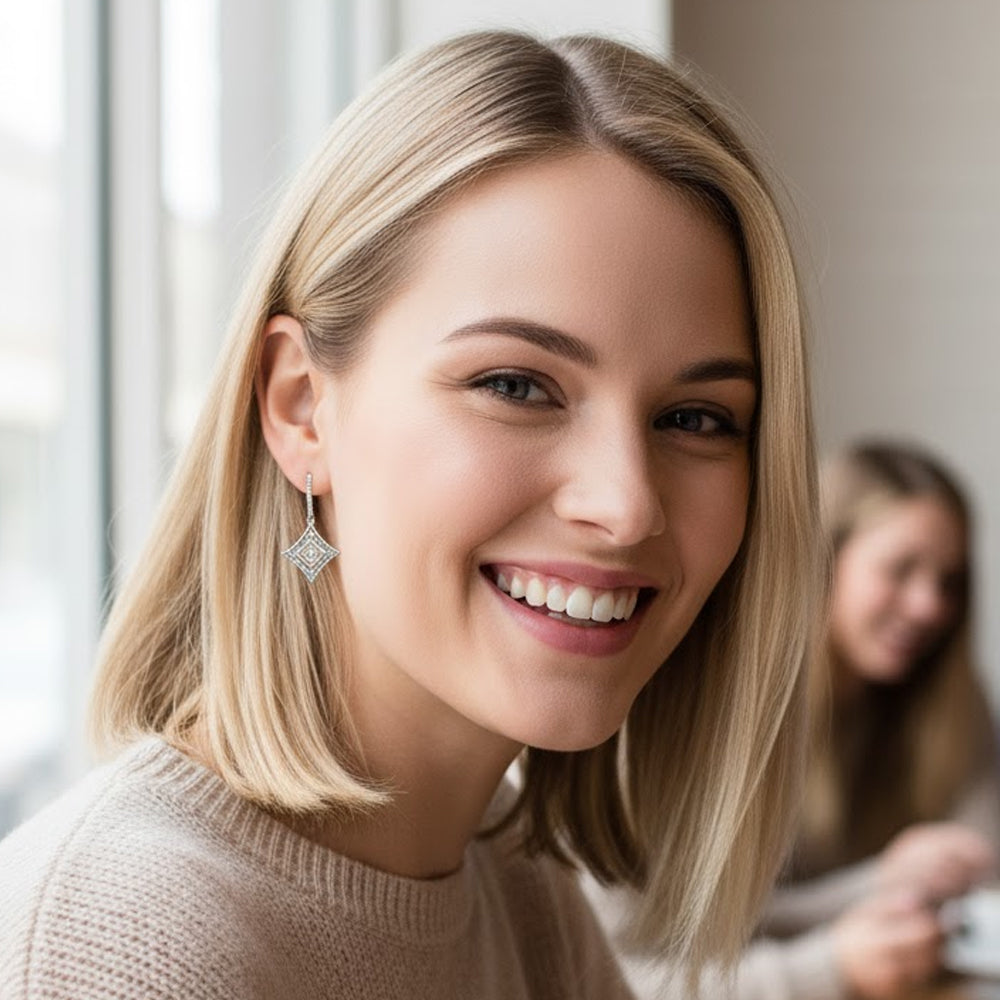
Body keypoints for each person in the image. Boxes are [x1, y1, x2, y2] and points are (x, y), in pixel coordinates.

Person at [0, 30, 818, 999]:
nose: (625, 502)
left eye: (694, 417)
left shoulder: (523, 896)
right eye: (516, 384)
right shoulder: (123, 943)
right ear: (301, 405)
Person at [599, 440, 1000, 999]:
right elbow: (632, 973)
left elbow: (981, 897)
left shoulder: (952, 700)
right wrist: (851, 936)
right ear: (823, 561)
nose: (930, 606)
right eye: (901, 569)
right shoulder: (707, 709)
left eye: (949, 582)